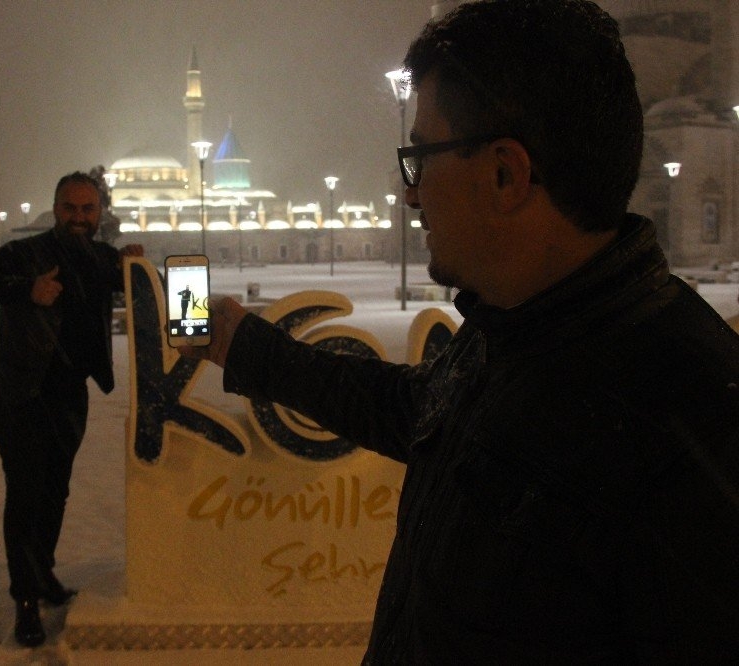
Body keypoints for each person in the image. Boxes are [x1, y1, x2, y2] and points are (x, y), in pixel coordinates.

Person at [182, 1, 739, 662]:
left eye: (419, 157)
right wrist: (246, 347)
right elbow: (414, 409)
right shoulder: (516, 328)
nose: (408, 193)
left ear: (504, 174)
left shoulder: (692, 434)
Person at [0, 172, 143, 647]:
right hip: (22, 391)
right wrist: (26, 289)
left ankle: (44, 575)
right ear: (56, 209)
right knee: (25, 492)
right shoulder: (26, 254)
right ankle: (24, 598)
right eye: (70, 208)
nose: (79, 218)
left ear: (100, 213)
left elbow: (145, 294)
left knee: (55, 490)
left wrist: (135, 268)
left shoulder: (101, 259)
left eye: (88, 209)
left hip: (68, 393)